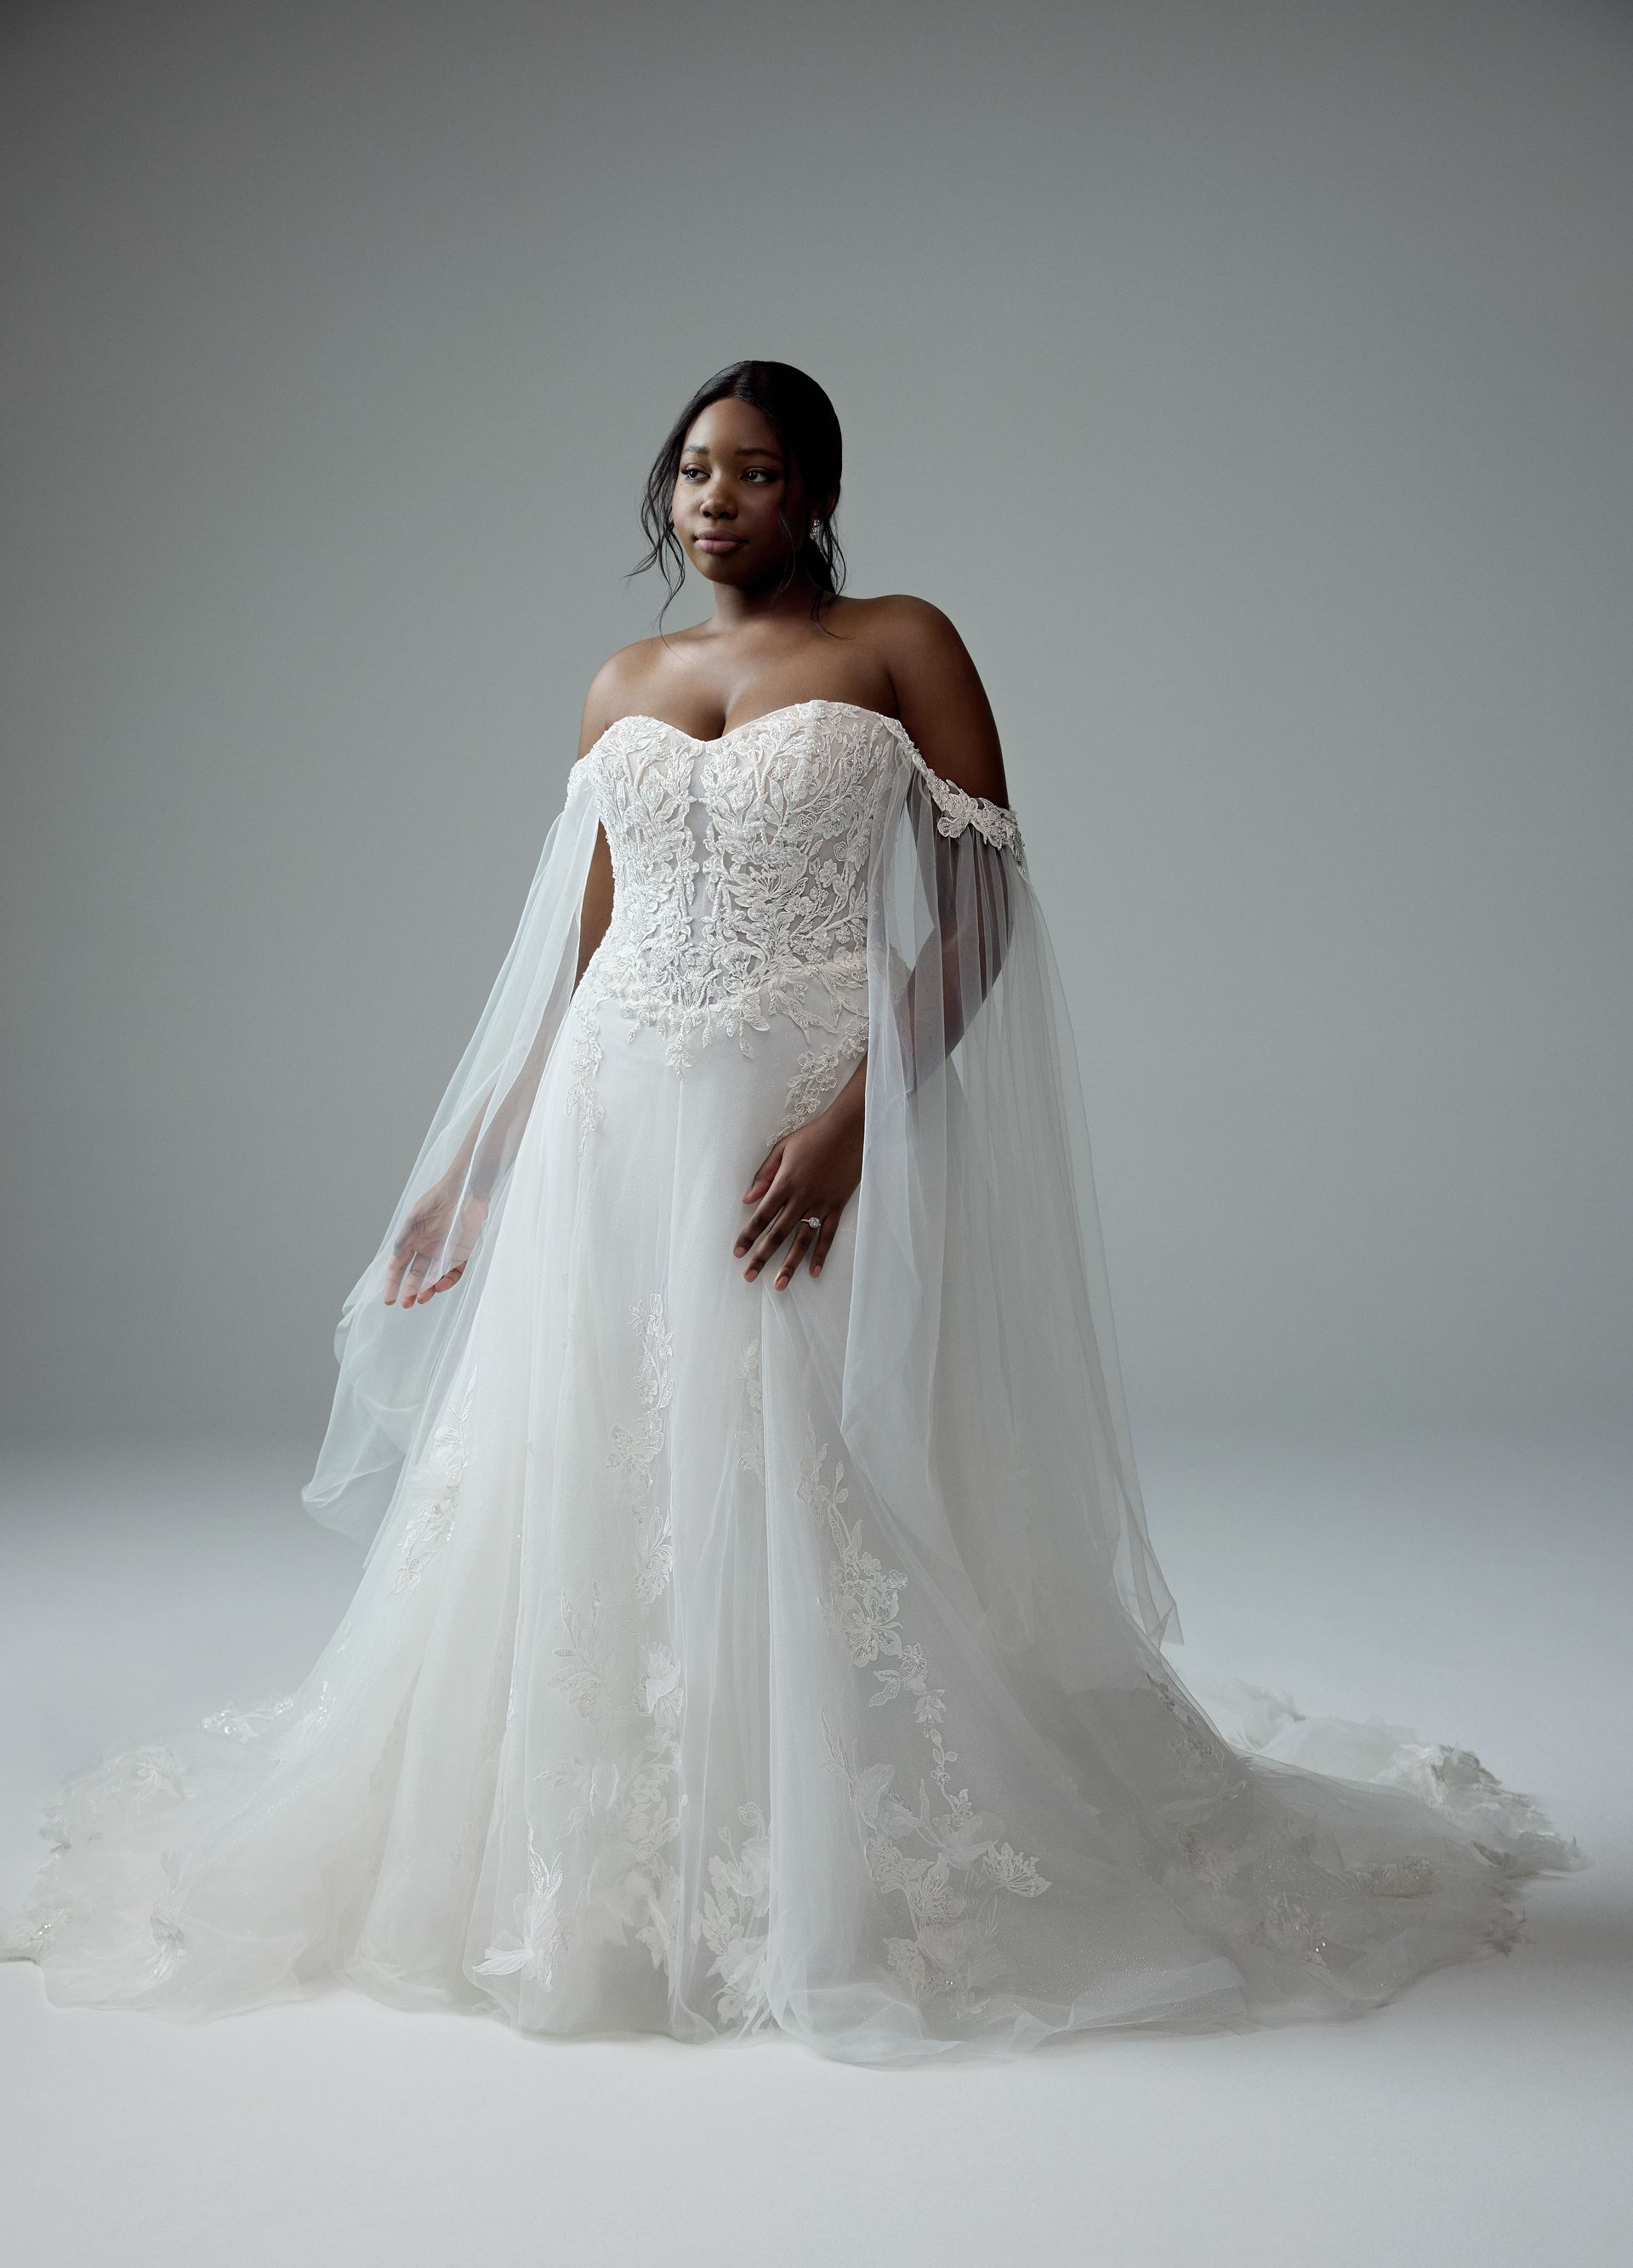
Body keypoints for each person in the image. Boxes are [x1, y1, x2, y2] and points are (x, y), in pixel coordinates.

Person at [1, 360, 1585, 2065]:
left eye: (755, 472)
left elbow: (980, 917)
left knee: (804, 1463)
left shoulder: (898, 643)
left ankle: (824, 1853)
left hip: (795, 1122)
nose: (714, 500)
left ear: (817, 493)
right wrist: (478, 1163)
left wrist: (854, 1121)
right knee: (594, 1463)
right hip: (618, 1125)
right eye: (693, 470)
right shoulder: (622, 677)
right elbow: (586, 954)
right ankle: (584, 1859)